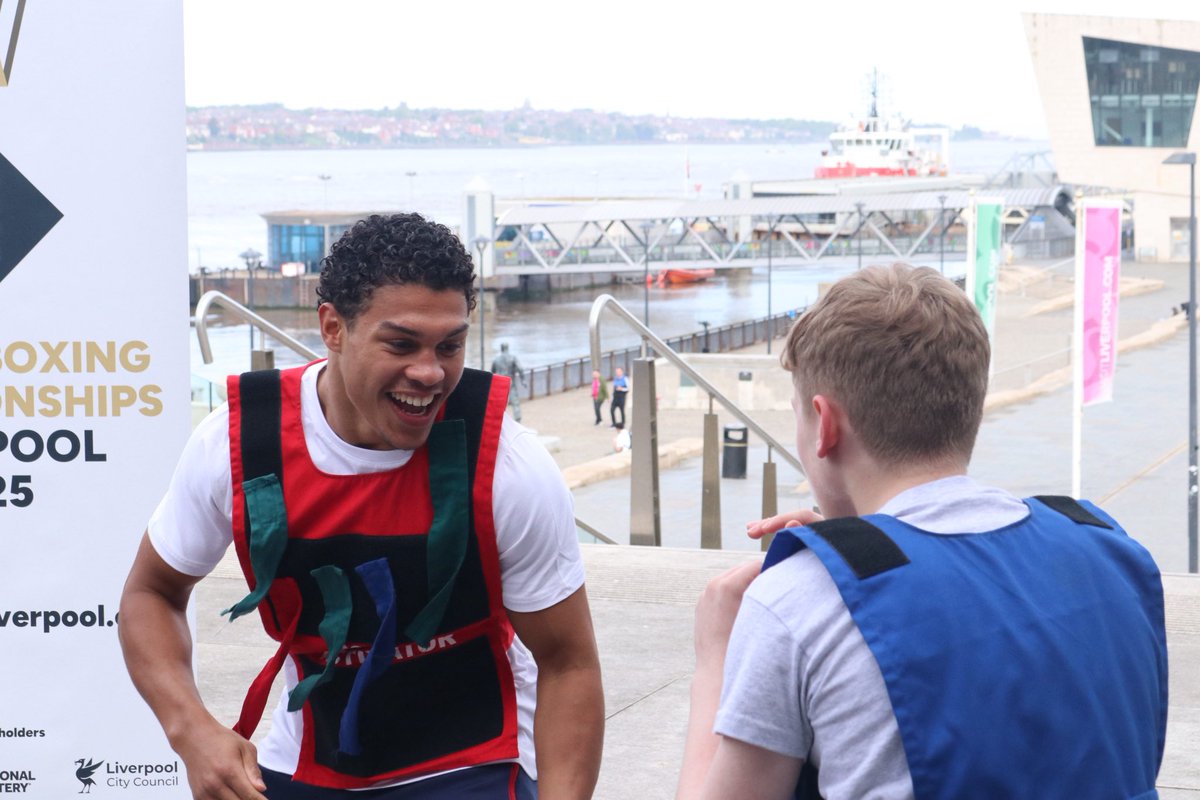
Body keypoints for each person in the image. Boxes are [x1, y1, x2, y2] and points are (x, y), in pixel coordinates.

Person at [119, 213, 604, 800]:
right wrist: (191, 731)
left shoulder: (508, 463)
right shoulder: (238, 445)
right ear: (333, 327)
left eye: (450, 346)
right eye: (401, 344)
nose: (429, 373)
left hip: (473, 759)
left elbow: (568, 663)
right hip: (309, 759)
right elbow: (150, 594)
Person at [677, 263, 1168, 800]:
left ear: (824, 425)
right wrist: (856, 546)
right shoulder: (1111, 550)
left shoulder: (795, 605)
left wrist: (715, 658)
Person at [491, 342, 526, 422]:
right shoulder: (513, 358)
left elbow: (492, 372)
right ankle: (518, 419)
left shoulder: (496, 359)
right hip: (510, 382)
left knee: (500, 404)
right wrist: (523, 380)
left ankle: (499, 420)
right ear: (507, 348)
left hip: (500, 383)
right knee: (515, 402)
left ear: (501, 348)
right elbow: (520, 369)